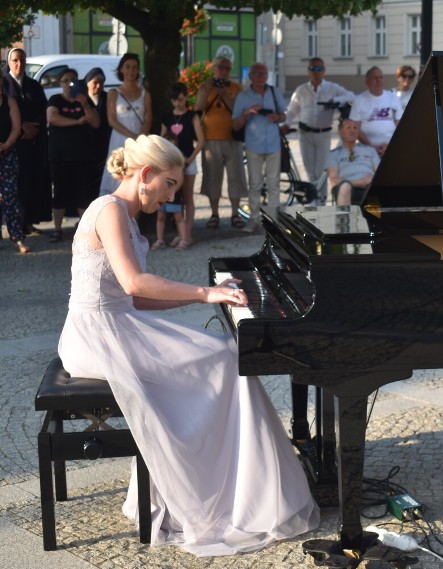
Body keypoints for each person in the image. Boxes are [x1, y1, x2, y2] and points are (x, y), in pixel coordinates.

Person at [57, 134, 320, 556]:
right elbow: (134, 284)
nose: (171, 198)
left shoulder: (124, 213)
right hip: (96, 334)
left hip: (119, 321)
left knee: (221, 352)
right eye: (169, 186)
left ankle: (236, 480)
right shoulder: (108, 210)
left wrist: (207, 294)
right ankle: (222, 486)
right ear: (145, 175)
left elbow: (137, 298)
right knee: (221, 359)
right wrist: (205, 294)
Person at [285, 57, 355, 205]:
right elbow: (291, 111)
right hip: (305, 134)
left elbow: (351, 96)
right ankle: (313, 199)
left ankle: (321, 200)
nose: (315, 72)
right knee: (310, 170)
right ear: (308, 71)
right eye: (312, 68)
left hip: (323, 134)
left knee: (322, 170)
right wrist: (285, 125)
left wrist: (336, 101)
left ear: (323, 71)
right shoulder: (301, 90)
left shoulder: (331, 88)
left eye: (318, 69)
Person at [46, 68, 102, 243]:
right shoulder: (55, 99)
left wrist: (85, 104)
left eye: (73, 80)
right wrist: (76, 121)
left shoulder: (84, 101)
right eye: (65, 80)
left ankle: (84, 230)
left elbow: (96, 123)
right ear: (60, 83)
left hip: (82, 155)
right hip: (60, 155)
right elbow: (52, 118)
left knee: (83, 194)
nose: (69, 84)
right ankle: (57, 229)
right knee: (60, 193)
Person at [231, 62, 287, 233]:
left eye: (264, 74)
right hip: (253, 143)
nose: (262, 77)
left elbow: (284, 115)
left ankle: (273, 220)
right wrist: (247, 113)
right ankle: (254, 218)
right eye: (258, 74)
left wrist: (277, 117)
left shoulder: (274, 91)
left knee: (273, 183)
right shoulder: (243, 96)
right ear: (251, 76)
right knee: (254, 184)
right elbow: (235, 125)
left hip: (273, 143)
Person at [196, 56, 247, 229]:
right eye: (220, 67)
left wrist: (224, 95)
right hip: (210, 139)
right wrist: (206, 90)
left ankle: (235, 213)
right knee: (212, 177)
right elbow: (198, 108)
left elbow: (238, 109)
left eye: (227, 68)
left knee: (236, 176)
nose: (223, 71)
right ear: (214, 68)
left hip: (233, 139)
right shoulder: (206, 87)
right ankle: (214, 213)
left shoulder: (236, 88)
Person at [4, 47, 50, 234]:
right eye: (15, 60)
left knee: (32, 180)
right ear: (9, 62)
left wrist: (34, 127)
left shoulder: (33, 84)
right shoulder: (4, 83)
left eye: (22, 60)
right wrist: (21, 126)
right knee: (16, 184)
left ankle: (29, 220)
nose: (19, 64)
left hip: (33, 140)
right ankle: (16, 224)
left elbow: (43, 108)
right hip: (12, 142)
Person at [157, 82, 204, 249]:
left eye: (181, 99)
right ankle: (181, 234)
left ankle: (187, 234)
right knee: (176, 199)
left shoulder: (192, 116)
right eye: (175, 100)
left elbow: (200, 141)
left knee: (188, 198)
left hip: (188, 162)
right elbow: (161, 140)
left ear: (186, 98)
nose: (179, 103)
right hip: (171, 165)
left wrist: (189, 160)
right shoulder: (167, 117)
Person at [99, 53, 152, 196]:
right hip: (119, 139)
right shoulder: (113, 93)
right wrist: (132, 136)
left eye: (134, 67)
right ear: (121, 69)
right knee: (116, 174)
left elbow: (148, 118)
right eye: (127, 67)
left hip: (139, 141)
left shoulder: (144, 94)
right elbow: (112, 120)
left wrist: (140, 137)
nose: (131, 71)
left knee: (136, 179)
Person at [0, 72, 28, 253]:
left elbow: (17, 128)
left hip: (7, 153)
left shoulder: (10, 102)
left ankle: (18, 237)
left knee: (10, 198)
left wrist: (6, 144)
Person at [326, 118, 381, 206]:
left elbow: (379, 174)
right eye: (348, 128)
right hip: (345, 187)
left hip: (368, 186)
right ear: (340, 131)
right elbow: (334, 180)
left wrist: (369, 182)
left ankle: (374, 219)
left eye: (355, 128)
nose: (352, 130)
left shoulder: (370, 150)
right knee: (345, 187)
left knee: (373, 189)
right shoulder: (333, 154)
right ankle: (345, 219)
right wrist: (358, 182)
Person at [350, 66, 402, 157]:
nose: (378, 80)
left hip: (391, 146)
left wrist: (389, 145)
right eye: (375, 78)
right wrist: (371, 147)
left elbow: (400, 124)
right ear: (367, 82)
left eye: (381, 77)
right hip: (367, 148)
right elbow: (355, 128)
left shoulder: (393, 97)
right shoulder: (359, 100)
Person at [85, 67, 112, 203]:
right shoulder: (82, 99)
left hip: (104, 143)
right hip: (86, 145)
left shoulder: (107, 98)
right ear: (88, 82)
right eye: (95, 82)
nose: (98, 86)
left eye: (101, 82)